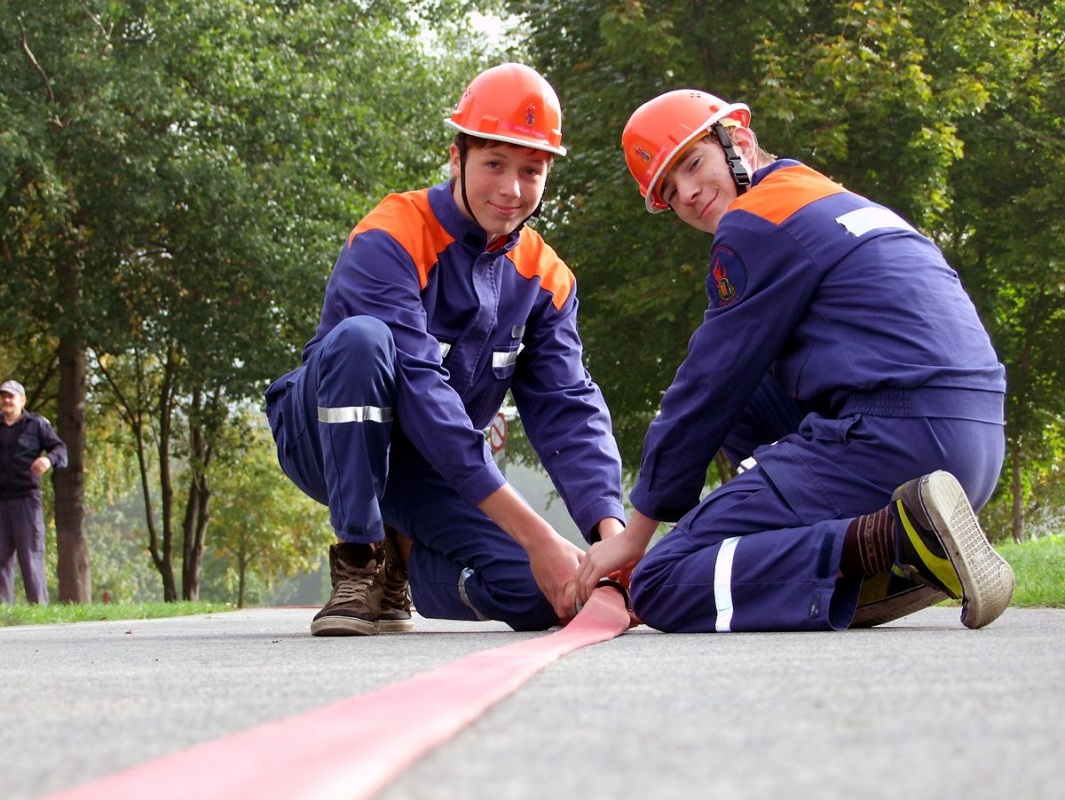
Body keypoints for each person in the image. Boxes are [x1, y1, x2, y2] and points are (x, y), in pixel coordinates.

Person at [573, 89, 1015, 632]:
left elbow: (706, 385)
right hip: (976, 440)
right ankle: (900, 550)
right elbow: (731, 386)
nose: (686, 193)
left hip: (898, 438)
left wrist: (635, 536)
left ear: (739, 141)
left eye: (692, 163)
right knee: (746, 391)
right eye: (668, 191)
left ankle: (891, 539)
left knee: (663, 580)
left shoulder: (756, 221)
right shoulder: (826, 198)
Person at [266, 63, 626, 637]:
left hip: (430, 466)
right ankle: (360, 558)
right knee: (363, 341)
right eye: (493, 165)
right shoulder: (391, 236)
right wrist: (536, 535)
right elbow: (421, 390)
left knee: (546, 597)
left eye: (531, 171)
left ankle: (403, 561)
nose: (511, 190)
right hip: (329, 436)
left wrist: (613, 543)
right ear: (457, 158)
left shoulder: (547, 278)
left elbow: (569, 406)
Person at [0, 379, 67, 605]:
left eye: (11, 396)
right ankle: (2, 611)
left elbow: (60, 448)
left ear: (22, 400)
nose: (7, 400)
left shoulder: (36, 424)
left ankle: (38, 611)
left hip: (26, 500)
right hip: (1, 500)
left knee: (30, 556)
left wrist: (48, 460)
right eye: (3, 396)